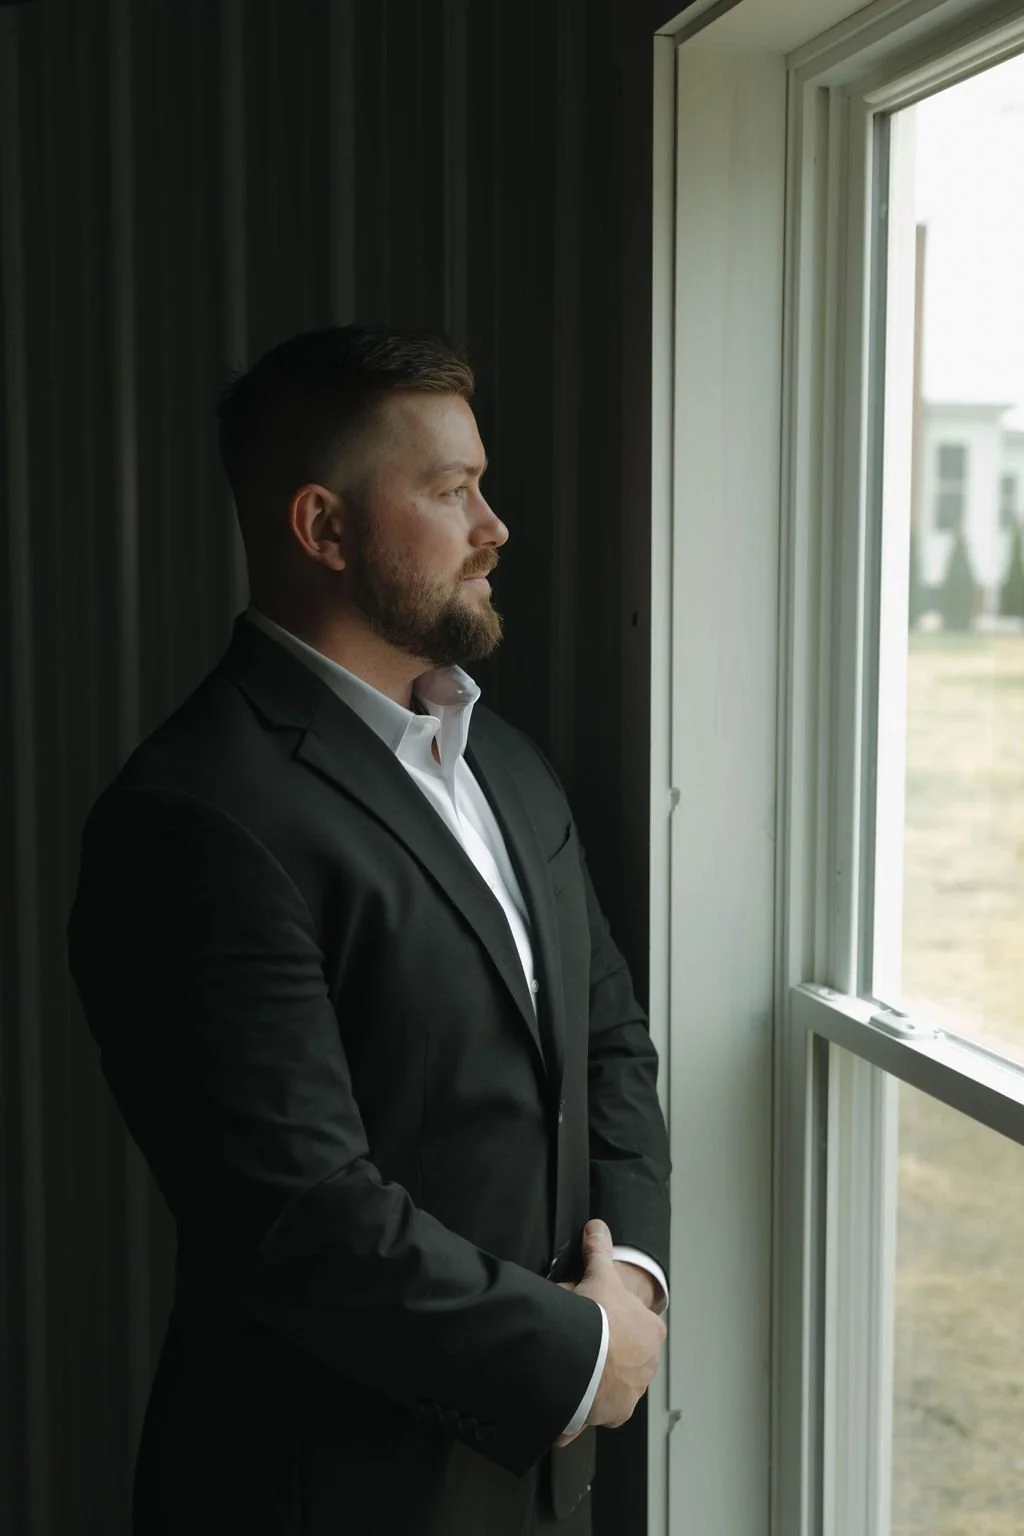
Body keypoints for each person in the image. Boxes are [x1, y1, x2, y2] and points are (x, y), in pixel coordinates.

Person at [67, 325, 671, 1536]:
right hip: (324, 1493)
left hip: (535, 1487)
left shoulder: (498, 756)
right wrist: (579, 1353)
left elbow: (606, 1042)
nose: (494, 525)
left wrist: (633, 1287)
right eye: (451, 492)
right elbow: (298, 1216)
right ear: (324, 530)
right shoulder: (191, 818)